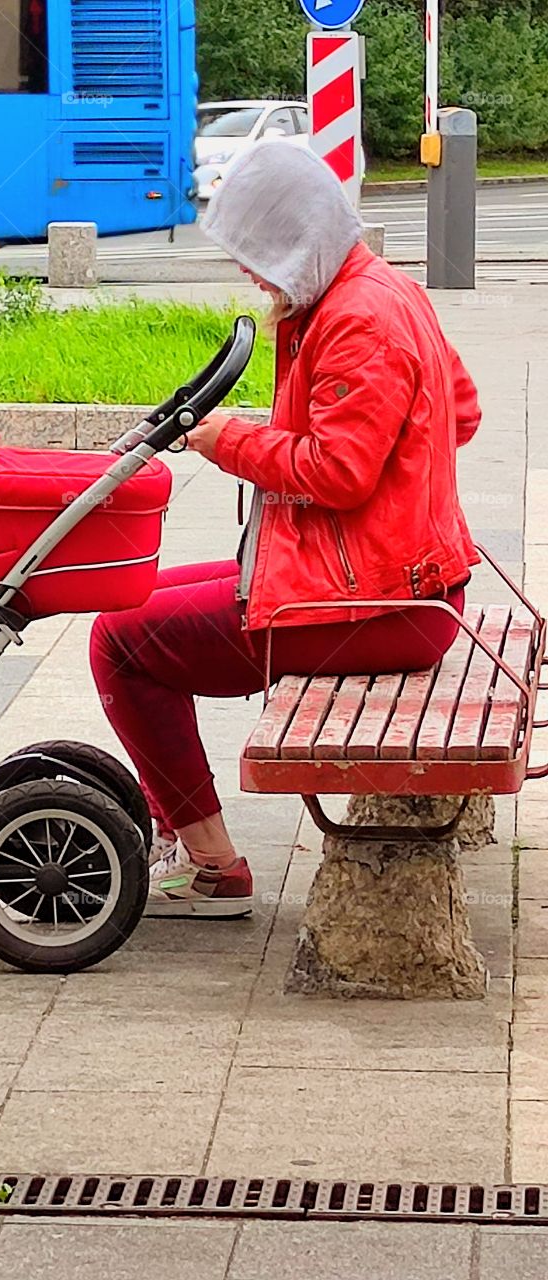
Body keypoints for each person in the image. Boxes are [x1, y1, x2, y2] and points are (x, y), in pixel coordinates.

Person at [89, 140, 481, 917]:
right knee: (131, 593)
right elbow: (461, 413)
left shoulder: (355, 319)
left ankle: (211, 868)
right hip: (401, 583)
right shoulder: (382, 290)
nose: (248, 271)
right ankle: (173, 832)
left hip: (385, 607)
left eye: (256, 252)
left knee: (121, 639)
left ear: (297, 239)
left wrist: (227, 438)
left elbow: (339, 473)